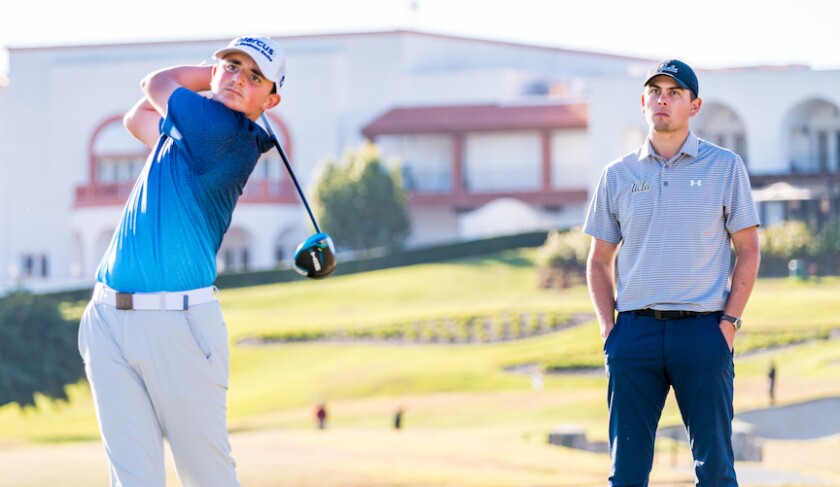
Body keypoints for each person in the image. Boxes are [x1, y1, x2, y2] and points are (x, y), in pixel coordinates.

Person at [77, 36, 285, 487]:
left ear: (271, 99)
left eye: (253, 77)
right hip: (109, 319)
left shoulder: (224, 134)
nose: (236, 79)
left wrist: (210, 72)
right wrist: (221, 78)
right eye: (231, 66)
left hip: (179, 326)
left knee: (206, 478)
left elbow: (155, 83)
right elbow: (138, 119)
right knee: (133, 480)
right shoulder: (193, 131)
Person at [583, 59, 761, 486]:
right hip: (634, 336)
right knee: (626, 474)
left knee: (716, 471)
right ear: (644, 102)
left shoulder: (725, 167)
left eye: (675, 93)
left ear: (694, 105)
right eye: (656, 92)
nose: (663, 99)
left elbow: (750, 249)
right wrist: (611, 330)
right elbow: (598, 260)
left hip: (702, 334)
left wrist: (729, 324)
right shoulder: (617, 174)